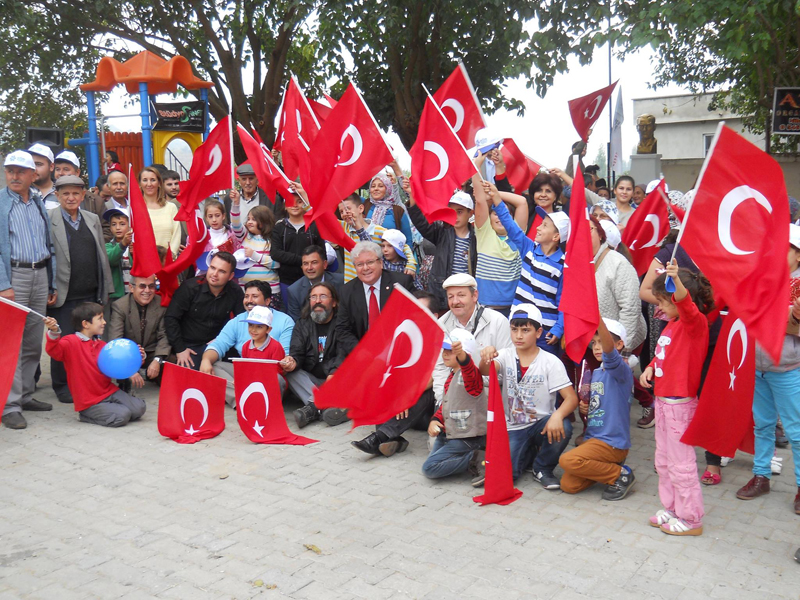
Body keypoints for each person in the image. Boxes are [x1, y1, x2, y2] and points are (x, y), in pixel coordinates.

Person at [640, 260, 714, 536]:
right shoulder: (671, 323)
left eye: (663, 300)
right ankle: (672, 508)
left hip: (680, 405)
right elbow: (664, 354)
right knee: (663, 460)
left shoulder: (695, 324)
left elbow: (685, 304)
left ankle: (691, 518)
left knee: (681, 464)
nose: (660, 306)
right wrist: (649, 368)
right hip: (663, 401)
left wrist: (676, 282)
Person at [735, 225, 800, 514]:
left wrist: (789, 316)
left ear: (798, 255)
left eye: (785, 249)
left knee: (796, 431)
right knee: (762, 425)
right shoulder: (763, 278)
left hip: (787, 367)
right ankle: (761, 476)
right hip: (757, 365)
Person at [479, 304, 578, 489]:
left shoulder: (550, 361)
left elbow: (571, 398)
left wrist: (557, 415)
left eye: (526, 330)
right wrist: (486, 355)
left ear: (538, 332)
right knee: (508, 475)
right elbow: (485, 370)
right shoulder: (504, 354)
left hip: (543, 423)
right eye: (514, 329)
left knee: (564, 425)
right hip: (513, 427)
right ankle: (529, 454)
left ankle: (543, 468)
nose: (518, 335)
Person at [0, 151, 58, 429]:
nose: (13, 176)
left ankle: (24, 396)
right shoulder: (1, 202)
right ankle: (9, 405)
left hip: (40, 274)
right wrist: (3, 285)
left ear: (32, 175)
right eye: (9, 171)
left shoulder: (37, 201)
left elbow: (49, 245)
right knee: (12, 342)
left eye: (20, 171)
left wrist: (51, 280)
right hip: (15, 276)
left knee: (34, 342)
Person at [336, 241, 416, 438]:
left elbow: (413, 322)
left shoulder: (401, 284)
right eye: (360, 265)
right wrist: (365, 351)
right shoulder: (347, 291)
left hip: (399, 351)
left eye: (370, 262)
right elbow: (342, 330)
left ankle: (384, 434)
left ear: (381, 262)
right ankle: (387, 435)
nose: (365, 268)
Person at [47, 175, 114, 404]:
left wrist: (104, 288)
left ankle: (91, 381)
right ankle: (62, 385)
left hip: (89, 292)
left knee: (90, 342)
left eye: (76, 193)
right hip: (64, 294)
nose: (71, 197)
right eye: (65, 193)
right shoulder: (49, 218)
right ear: (57, 195)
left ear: (83, 195)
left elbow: (101, 256)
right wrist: (49, 286)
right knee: (64, 342)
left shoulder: (92, 218)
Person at [559, 318, 635, 499]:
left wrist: (597, 319)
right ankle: (612, 467)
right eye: (594, 343)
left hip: (611, 441)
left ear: (619, 344)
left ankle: (620, 475)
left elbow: (611, 355)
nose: (597, 346)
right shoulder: (597, 372)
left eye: (602, 341)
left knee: (567, 460)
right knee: (569, 485)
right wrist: (586, 409)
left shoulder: (620, 370)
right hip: (594, 438)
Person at [490, 183, 569, 355]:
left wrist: (558, 328)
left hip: (546, 333)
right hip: (519, 326)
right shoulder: (529, 248)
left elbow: (564, 301)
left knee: (544, 375)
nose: (538, 227)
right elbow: (510, 226)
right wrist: (496, 197)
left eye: (545, 226)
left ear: (556, 237)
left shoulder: (563, 265)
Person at [44, 303, 146, 427]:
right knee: (122, 416)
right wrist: (54, 332)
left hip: (109, 391)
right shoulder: (71, 342)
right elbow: (54, 351)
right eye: (100, 318)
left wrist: (139, 357)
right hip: (89, 401)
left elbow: (117, 365)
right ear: (85, 324)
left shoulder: (102, 345)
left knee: (140, 408)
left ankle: (111, 409)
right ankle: (85, 415)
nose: (104, 322)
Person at [199, 280, 292, 405]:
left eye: (255, 296)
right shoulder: (238, 321)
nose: (249, 300)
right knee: (215, 366)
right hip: (248, 373)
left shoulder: (285, 321)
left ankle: (256, 400)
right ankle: (244, 402)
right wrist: (205, 360)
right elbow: (218, 344)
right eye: (246, 296)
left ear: (267, 301)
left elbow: (284, 362)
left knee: (276, 378)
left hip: (270, 376)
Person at [430, 274, 512, 404]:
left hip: (489, 396)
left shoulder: (497, 321)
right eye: (451, 297)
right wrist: (443, 402)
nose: (455, 301)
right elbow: (440, 369)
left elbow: (507, 370)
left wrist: (471, 383)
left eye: (461, 295)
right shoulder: (441, 325)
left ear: (475, 296)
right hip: (453, 398)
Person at [422, 330, 487, 483]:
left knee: (429, 468)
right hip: (449, 433)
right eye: (445, 350)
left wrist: (462, 356)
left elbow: (468, 369)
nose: (445, 354)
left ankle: (477, 458)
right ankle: (469, 457)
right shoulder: (451, 375)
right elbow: (446, 404)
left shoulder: (472, 376)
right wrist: (434, 420)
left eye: (451, 351)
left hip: (468, 437)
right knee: (434, 456)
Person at [282, 282, 347, 428]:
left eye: (323, 296)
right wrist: (292, 361)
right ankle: (329, 406)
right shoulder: (302, 323)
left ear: (334, 302)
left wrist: (334, 374)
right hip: (314, 382)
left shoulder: (343, 324)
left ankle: (313, 408)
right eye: (313, 297)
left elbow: (344, 354)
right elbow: (297, 352)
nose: (317, 301)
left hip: (337, 379)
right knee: (291, 373)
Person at [165, 252, 245, 371]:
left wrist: (222, 339)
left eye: (222, 271)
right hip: (190, 345)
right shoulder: (189, 287)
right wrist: (180, 349)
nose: (215, 274)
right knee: (192, 378)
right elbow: (171, 318)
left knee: (239, 371)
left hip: (220, 343)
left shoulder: (235, 291)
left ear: (230, 276)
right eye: (212, 268)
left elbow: (241, 321)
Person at [405, 181, 476, 311]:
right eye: (451, 211)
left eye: (460, 212)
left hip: (467, 295)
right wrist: (412, 194)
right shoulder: (441, 233)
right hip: (442, 295)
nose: (455, 216)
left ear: (470, 213)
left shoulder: (477, 238)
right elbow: (420, 221)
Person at [470, 167, 525, 317]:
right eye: (495, 213)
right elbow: (480, 200)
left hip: (513, 309)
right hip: (485, 309)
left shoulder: (518, 236)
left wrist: (495, 194)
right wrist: (476, 164)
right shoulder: (484, 233)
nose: (499, 217)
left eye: (505, 213)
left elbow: (522, 202)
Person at [109, 274, 171, 389]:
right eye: (142, 286)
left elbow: (164, 335)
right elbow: (116, 340)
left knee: (172, 369)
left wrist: (157, 360)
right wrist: (129, 365)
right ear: (131, 288)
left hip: (152, 352)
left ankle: (152, 374)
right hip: (129, 353)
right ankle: (124, 379)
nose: (147, 291)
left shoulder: (161, 304)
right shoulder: (120, 306)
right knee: (118, 362)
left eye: (151, 286)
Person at [338, 193, 416, 283]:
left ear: (360, 208)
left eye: (348, 209)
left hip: (374, 282)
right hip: (351, 282)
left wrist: (411, 264)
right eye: (341, 212)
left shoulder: (379, 231)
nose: (345, 213)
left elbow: (403, 246)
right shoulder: (344, 228)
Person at [231, 195, 281, 304]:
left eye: (254, 219)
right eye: (248, 219)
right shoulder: (244, 236)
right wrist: (236, 204)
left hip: (270, 291)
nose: (249, 222)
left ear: (264, 221)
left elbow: (277, 264)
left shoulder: (272, 240)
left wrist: (254, 255)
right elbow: (235, 224)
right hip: (246, 292)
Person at [270, 193, 324, 293]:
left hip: (313, 280)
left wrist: (308, 263)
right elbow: (275, 253)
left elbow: (322, 253)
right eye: (290, 202)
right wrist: (302, 260)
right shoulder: (279, 227)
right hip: (286, 281)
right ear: (285, 206)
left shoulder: (314, 226)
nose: (295, 205)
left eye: (299, 202)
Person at [286, 245, 344, 322]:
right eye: (305, 264)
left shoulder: (342, 282)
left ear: (325, 264)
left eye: (314, 263)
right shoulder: (294, 291)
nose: (309, 268)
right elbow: (297, 323)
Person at [364, 167, 414, 245]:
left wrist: (406, 256)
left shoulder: (398, 211)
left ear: (388, 189)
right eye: (373, 186)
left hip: (392, 256)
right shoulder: (365, 205)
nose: (376, 189)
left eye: (380, 186)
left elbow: (408, 240)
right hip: (368, 254)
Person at [139, 167, 181, 257]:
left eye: (153, 180)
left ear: (159, 183)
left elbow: (176, 235)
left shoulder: (171, 207)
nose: (149, 184)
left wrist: (169, 257)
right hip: (145, 262)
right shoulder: (135, 208)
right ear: (140, 183)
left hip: (168, 262)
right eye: (145, 180)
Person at [53, 151, 105, 219]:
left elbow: (105, 227)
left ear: (77, 172)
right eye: (57, 169)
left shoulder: (95, 201)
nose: (61, 173)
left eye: (66, 169)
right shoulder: (45, 196)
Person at [104, 207, 132, 301]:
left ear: (130, 226)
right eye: (114, 224)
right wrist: (122, 245)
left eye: (122, 224)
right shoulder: (107, 246)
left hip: (135, 294)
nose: (118, 228)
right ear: (110, 228)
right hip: (117, 296)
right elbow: (111, 259)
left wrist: (134, 253)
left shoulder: (137, 246)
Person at [28, 143, 58, 210]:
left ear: (51, 167)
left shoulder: (63, 191)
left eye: (38, 164)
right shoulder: (20, 192)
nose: (34, 169)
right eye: (31, 164)